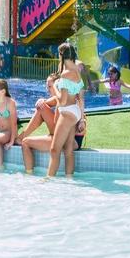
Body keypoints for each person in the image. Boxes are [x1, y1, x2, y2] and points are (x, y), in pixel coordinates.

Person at [46, 42, 86, 177]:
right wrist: (81, 119)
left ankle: (48, 179)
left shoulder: (65, 74)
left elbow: (62, 101)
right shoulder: (77, 71)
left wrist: (54, 89)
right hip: (75, 111)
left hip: (67, 111)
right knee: (68, 149)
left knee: (54, 149)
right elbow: (80, 98)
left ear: (61, 55)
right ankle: (69, 179)